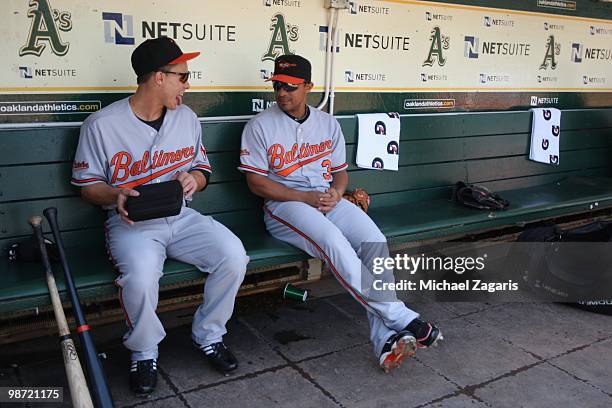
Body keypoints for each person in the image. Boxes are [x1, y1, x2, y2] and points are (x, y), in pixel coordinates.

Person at [239, 55, 442, 372]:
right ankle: (399, 315)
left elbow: (340, 174)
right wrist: (303, 196)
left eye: (291, 87)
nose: (282, 93)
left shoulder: (327, 123)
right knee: (334, 242)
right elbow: (256, 184)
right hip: (285, 205)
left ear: (308, 87)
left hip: (325, 199)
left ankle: (385, 341)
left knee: (375, 240)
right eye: (278, 85)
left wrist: (336, 191)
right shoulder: (260, 125)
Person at [71, 37, 249, 395]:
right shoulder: (102, 124)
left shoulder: (187, 118)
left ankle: (209, 334)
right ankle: (144, 350)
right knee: (139, 277)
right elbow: (87, 186)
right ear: (157, 77)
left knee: (233, 256)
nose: (188, 84)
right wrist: (116, 194)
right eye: (183, 76)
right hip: (131, 224)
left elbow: (202, 169)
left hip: (182, 218)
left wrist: (192, 179)